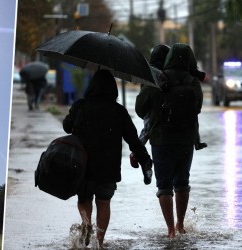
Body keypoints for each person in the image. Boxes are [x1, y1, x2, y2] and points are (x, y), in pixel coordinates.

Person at [63, 69, 153, 247]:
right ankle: (99, 242)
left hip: (83, 165)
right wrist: (145, 161)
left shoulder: (81, 105)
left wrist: (74, 113)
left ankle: (86, 223)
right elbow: (133, 140)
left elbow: (67, 127)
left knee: (84, 199)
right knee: (104, 202)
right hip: (108, 167)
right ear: (113, 89)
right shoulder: (118, 111)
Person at [135, 43, 203, 238]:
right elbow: (197, 107)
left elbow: (140, 109)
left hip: (161, 140)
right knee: (182, 182)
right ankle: (181, 224)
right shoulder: (193, 81)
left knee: (164, 186)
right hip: (186, 139)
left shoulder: (157, 79)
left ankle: (171, 229)